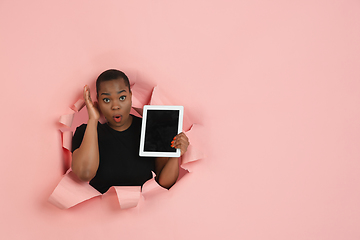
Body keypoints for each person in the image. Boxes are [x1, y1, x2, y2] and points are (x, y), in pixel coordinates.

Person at [71, 69, 189, 194]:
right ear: (98, 101)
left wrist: (174, 153)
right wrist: (93, 119)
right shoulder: (86, 132)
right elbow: (85, 174)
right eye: (106, 100)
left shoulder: (151, 128)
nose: (115, 106)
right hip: (101, 211)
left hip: (143, 210)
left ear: (130, 97)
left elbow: (165, 183)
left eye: (122, 97)